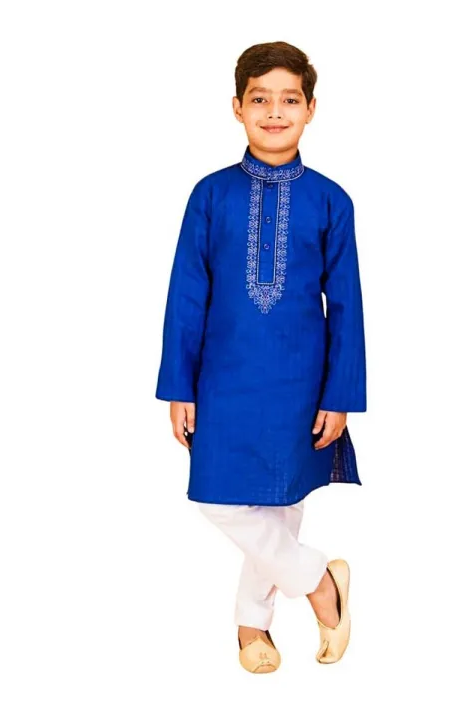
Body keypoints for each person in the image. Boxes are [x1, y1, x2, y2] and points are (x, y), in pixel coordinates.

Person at [155, 41, 366, 673]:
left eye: (289, 100)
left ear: (311, 109)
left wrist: (339, 395)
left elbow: (347, 306)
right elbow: (186, 296)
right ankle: (320, 584)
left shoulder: (331, 200)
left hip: (302, 380)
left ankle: (253, 629)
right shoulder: (210, 195)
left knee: (280, 504)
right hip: (221, 379)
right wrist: (179, 386)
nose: (275, 112)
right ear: (237, 107)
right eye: (260, 100)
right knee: (219, 499)